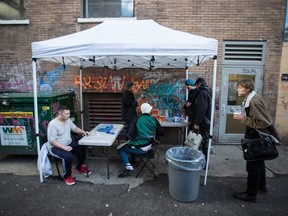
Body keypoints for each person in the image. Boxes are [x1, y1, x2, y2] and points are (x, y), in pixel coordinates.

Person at [233, 79, 280, 203]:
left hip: (256, 136)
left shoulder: (253, 101)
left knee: (253, 165)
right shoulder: (252, 99)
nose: (237, 89)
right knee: (259, 163)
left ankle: (251, 194)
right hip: (256, 135)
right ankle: (261, 186)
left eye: (240, 87)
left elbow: (265, 121)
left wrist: (243, 119)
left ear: (247, 89)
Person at [117, 103, 165, 178]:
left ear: (142, 111)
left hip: (140, 148)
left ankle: (129, 167)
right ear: (149, 111)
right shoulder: (154, 120)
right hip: (150, 146)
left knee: (120, 148)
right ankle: (132, 160)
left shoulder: (136, 120)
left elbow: (129, 135)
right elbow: (162, 133)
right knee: (131, 144)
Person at [47, 106, 91, 186]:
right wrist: (64, 148)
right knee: (68, 156)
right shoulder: (53, 124)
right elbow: (52, 141)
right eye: (66, 114)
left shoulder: (67, 120)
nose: (68, 115)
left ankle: (80, 167)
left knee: (82, 145)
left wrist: (83, 132)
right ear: (60, 114)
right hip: (55, 147)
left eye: (69, 113)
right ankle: (67, 176)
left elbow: (74, 129)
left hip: (68, 143)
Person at [187, 77, 212, 164]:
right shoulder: (208, 91)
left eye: (196, 85)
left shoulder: (202, 93)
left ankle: (204, 162)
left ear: (200, 84)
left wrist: (197, 123)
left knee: (203, 142)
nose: (196, 87)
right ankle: (203, 161)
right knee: (203, 142)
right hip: (206, 121)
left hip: (203, 122)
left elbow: (201, 109)